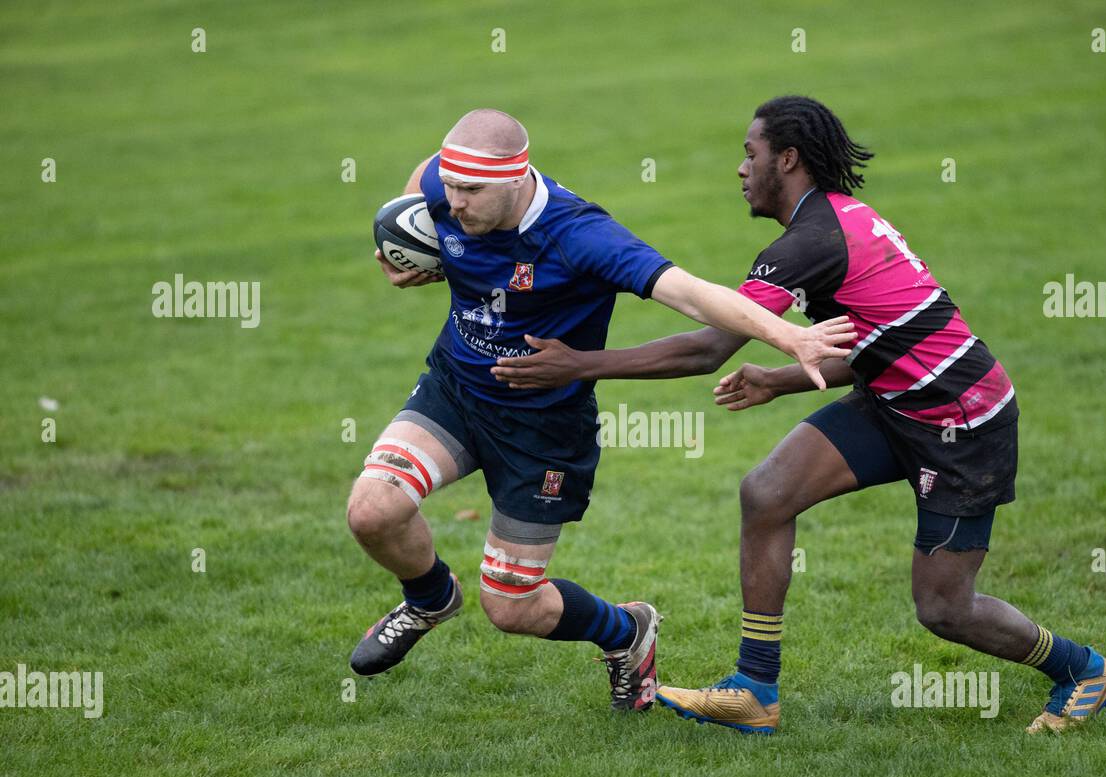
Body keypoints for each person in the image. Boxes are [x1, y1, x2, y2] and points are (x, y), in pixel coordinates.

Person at [490, 95, 1106, 734]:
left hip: (960, 422)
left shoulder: (810, 243)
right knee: (767, 493)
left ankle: (1083, 669)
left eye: (751, 153)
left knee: (944, 609)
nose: (741, 169)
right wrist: (778, 379)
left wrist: (580, 364)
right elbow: (872, 344)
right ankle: (755, 688)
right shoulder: (838, 222)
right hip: (896, 403)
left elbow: (708, 347)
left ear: (786, 159)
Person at [347, 108, 855, 716]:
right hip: (456, 391)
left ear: (517, 179)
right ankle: (430, 597)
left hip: (543, 430)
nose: (453, 204)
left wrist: (790, 339)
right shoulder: (449, 187)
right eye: (449, 189)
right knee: (373, 511)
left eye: (471, 191)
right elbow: (424, 180)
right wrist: (413, 247)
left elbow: (691, 292)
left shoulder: (580, 235)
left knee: (510, 607)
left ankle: (627, 631)